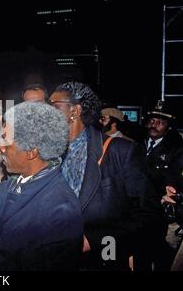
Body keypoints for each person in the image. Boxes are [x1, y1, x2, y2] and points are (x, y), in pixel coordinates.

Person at [0, 102, 83, 270]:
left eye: (6, 140)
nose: (0, 147)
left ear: (31, 152)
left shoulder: (62, 212)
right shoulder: (12, 184)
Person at [48, 81, 164, 270]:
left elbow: (148, 215)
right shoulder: (48, 155)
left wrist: (94, 240)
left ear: (74, 112)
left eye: (53, 106)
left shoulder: (120, 151)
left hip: (102, 259)